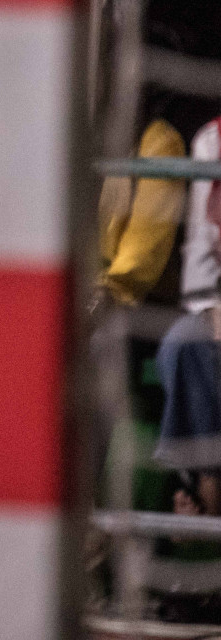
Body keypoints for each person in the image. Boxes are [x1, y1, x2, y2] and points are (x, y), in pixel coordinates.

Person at [155, 114, 221, 511]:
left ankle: (206, 493)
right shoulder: (212, 140)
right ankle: (208, 479)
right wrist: (213, 308)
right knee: (182, 343)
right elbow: (199, 245)